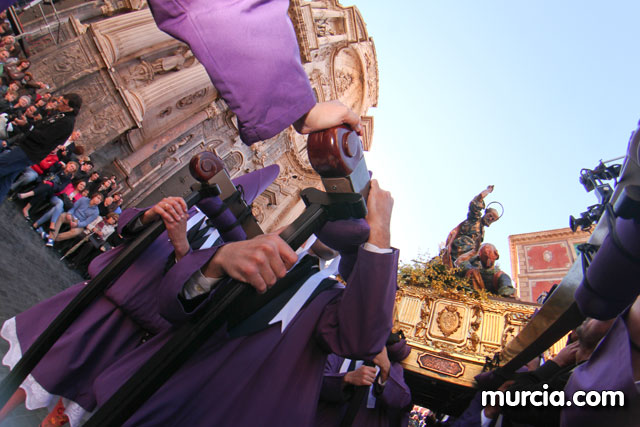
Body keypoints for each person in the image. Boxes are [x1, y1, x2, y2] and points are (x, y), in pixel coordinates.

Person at [92, 179, 398, 426]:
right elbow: (171, 305)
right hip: (150, 399)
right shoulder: (253, 250)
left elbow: (365, 338)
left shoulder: (330, 300)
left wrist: (380, 232)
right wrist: (217, 263)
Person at [0, 166, 281, 426]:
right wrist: (151, 214)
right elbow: (126, 225)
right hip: (99, 302)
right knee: (41, 368)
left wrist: (181, 246)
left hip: (137, 333)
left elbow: (190, 297)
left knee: (74, 401)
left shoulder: (228, 251)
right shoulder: (189, 207)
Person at [0, 92, 82, 203]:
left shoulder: (67, 123)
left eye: (63, 102)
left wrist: (27, 126)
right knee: (7, 179)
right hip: (28, 148)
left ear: (70, 108)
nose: (60, 103)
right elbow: (41, 126)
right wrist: (27, 124)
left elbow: (44, 138)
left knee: (3, 164)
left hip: (30, 151)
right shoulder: (61, 115)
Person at [316, 334, 412, 426]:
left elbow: (401, 403)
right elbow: (316, 385)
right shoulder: (338, 350)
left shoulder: (394, 366)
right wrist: (346, 378)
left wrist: (386, 369)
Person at [442, 185, 499, 268]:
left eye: (493, 219)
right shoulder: (474, 219)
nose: (490, 219)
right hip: (461, 247)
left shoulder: (482, 232)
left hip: (471, 254)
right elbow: (476, 202)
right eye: (490, 215)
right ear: (486, 213)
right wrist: (487, 191)